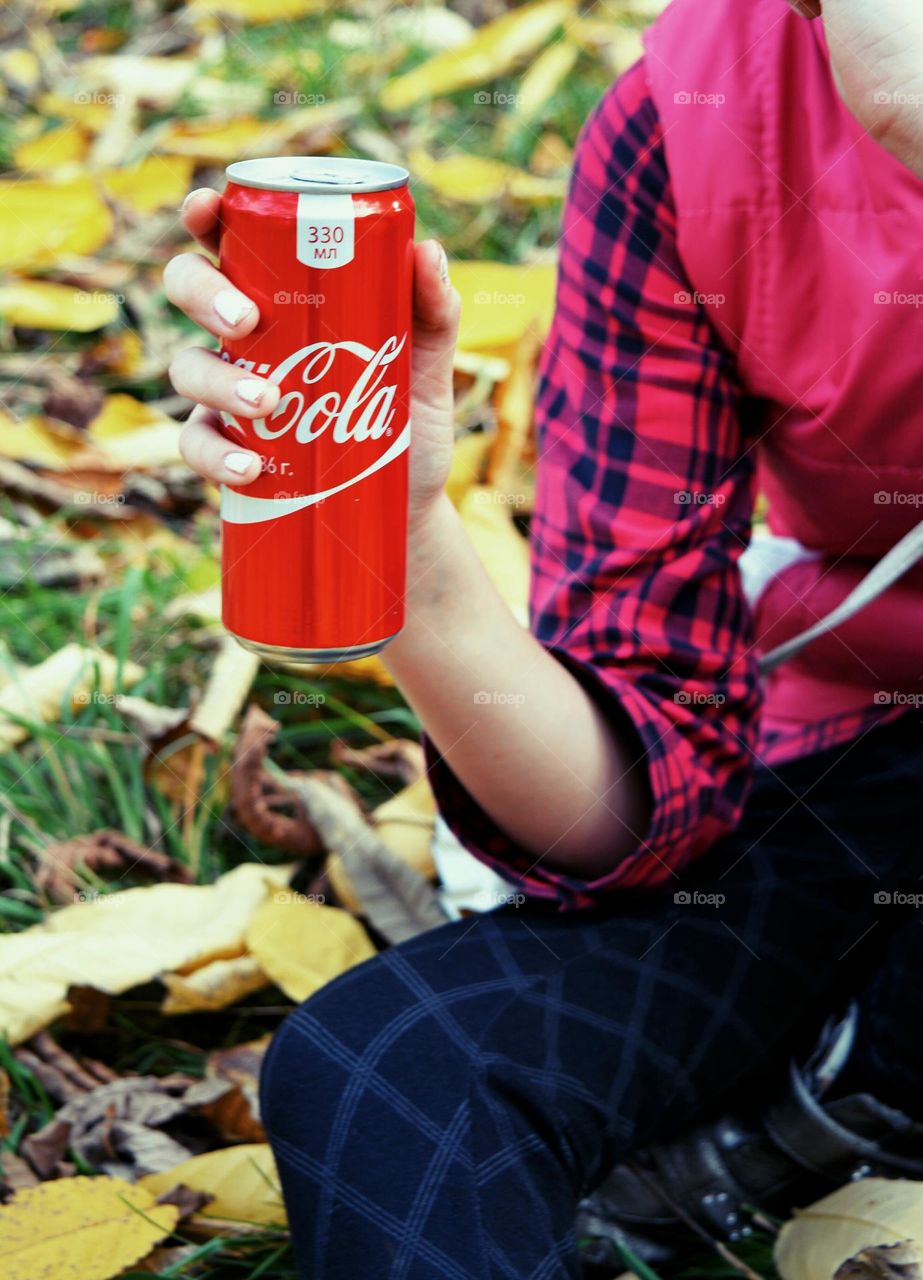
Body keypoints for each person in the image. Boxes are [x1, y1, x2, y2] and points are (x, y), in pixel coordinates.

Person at [163, 0, 923, 1274]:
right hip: (860, 763)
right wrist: (402, 551)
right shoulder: (692, 122)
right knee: (387, 1072)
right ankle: (846, 1082)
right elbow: (631, 822)